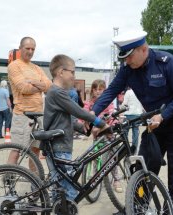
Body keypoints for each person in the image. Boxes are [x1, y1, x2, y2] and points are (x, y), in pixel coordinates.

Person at [91, 31, 173, 215]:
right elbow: (112, 90)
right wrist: (92, 113)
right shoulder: (128, 68)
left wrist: (163, 116)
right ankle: (135, 208)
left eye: (129, 57)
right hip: (154, 120)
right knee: (144, 163)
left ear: (143, 49)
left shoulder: (168, 63)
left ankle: (171, 212)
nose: (127, 62)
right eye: (124, 58)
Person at [44, 54, 107, 200]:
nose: (74, 76)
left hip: (59, 146)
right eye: (72, 72)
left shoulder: (56, 92)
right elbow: (77, 110)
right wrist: (101, 123)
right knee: (70, 192)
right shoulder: (57, 92)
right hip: (59, 147)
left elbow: (69, 121)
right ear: (61, 72)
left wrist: (83, 128)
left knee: (60, 190)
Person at [7, 36, 52, 168]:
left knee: (35, 151)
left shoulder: (37, 68)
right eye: (27, 48)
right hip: (22, 115)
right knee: (17, 150)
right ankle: (8, 180)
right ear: (20, 48)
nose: (30, 51)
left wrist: (33, 82)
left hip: (39, 115)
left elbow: (49, 85)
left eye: (33, 49)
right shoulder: (14, 66)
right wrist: (40, 85)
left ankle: (34, 182)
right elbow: (23, 88)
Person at [83, 79, 123, 192]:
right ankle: (96, 178)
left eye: (100, 89)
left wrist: (112, 118)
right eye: (95, 89)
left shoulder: (107, 102)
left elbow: (111, 112)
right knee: (95, 156)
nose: (97, 91)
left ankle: (116, 180)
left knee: (112, 157)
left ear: (104, 90)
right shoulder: (89, 103)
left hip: (108, 132)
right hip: (96, 134)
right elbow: (84, 112)